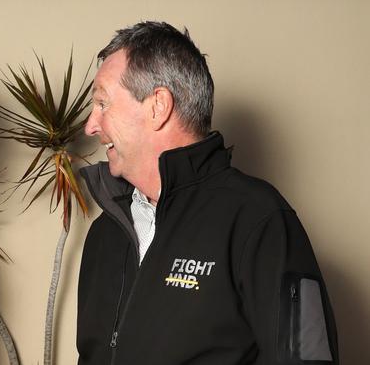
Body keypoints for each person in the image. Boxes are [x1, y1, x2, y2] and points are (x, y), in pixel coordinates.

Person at [77, 21, 338, 365]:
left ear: (158, 106)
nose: (90, 125)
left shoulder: (259, 218)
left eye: (102, 103)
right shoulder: (104, 233)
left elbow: (310, 359)